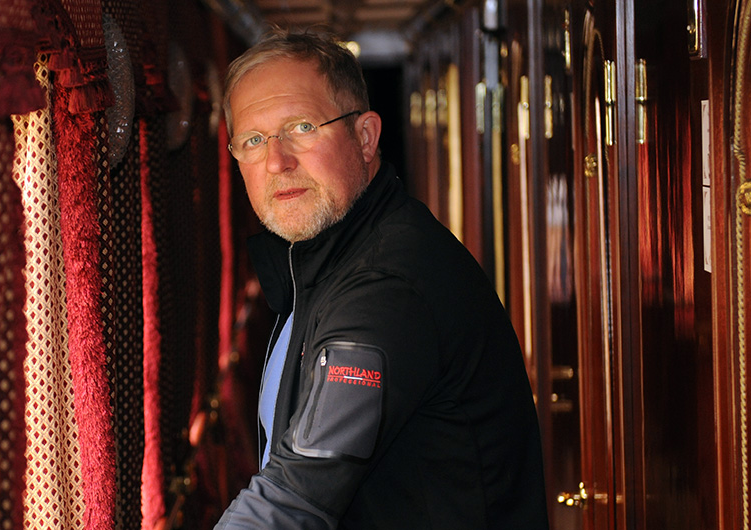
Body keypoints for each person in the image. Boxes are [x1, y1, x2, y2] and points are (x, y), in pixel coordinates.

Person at [215, 28, 549, 529]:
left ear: (365, 137)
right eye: (254, 140)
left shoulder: (385, 285)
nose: (277, 161)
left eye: (302, 127)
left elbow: (294, 497)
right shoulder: (323, 260)